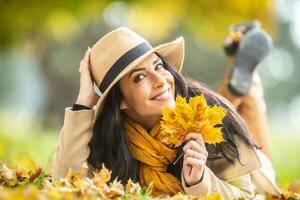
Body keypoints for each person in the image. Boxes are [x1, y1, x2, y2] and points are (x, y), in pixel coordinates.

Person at [52, 26, 280, 199]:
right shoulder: (113, 143)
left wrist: (201, 180)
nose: (160, 80)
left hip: (255, 170)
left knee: (239, 105)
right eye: (139, 77)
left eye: (158, 66)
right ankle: (239, 62)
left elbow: (245, 195)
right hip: (220, 126)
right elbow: (67, 183)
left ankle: (245, 75)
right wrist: (84, 102)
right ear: (120, 102)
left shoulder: (212, 115)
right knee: (231, 98)